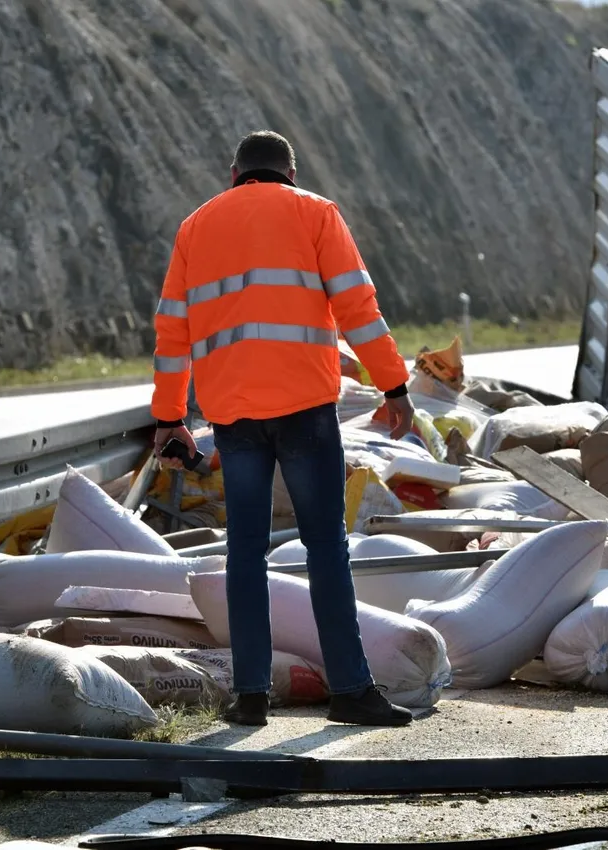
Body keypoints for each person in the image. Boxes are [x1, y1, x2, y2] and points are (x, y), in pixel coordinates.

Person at [150, 131, 417, 728]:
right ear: (290, 172)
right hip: (305, 410)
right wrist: (394, 385)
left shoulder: (196, 227)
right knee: (325, 546)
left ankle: (250, 694)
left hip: (234, 416)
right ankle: (350, 689)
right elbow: (357, 309)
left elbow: (173, 332)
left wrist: (171, 419)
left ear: (234, 173)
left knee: (245, 550)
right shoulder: (316, 213)